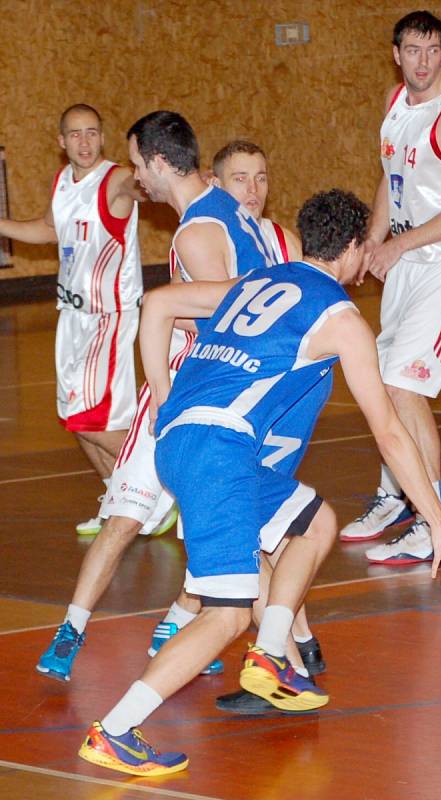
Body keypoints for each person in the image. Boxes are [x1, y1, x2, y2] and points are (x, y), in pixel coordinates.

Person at [77, 188, 441, 777]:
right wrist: (438, 522)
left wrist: (161, 393)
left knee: (315, 522)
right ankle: (116, 728)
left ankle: (270, 654)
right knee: (227, 613)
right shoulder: (339, 317)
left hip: (182, 442)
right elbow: (389, 432)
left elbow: (158, 303)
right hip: (220, 449)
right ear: (357, 249)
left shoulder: (256, 282)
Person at [35, 111, 273, 683]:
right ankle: (77, 626)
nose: (136, 175)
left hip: (200, 392)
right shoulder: (221, 210)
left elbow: (228, 315)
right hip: (204, 389)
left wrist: (170, 358)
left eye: (140, 163)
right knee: (128, 514)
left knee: (217, 528)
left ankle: (256, 642)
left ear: (162, 163)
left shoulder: (196, 232)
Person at [147, 140, 327, 716]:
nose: (253, 189)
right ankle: (295, 647)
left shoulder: (279, 238)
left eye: (262, 177)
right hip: (248, 399)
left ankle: (282, 658)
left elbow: (220, 315)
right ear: (217, 186)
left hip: (256, 403)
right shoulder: (220, 233)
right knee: (270, 527)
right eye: (240, 179)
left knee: (259, 527)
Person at [340, 11, 441, 566]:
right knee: (382, 385)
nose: (425, 61)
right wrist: (370, 242)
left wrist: (399, 246)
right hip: (410, 260)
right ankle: (397, 497)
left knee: (405, 386)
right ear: (396, 53)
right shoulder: (394, 104)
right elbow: (393, 176)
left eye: (434, 50)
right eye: (414, 49)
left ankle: (434, 522)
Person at [0, 104, 143, 534]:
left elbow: (142, 186)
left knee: (91, 421)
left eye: (92, 133)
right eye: (75, 134)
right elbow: (48, 229)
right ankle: (118, 500)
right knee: (73, 419)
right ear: (61, 142)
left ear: (103, 137)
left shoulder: (115, 180)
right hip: (72, 316)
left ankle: (156, 495)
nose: (85, 142)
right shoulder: (63, 182)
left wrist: (178, 181)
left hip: (107, 316)